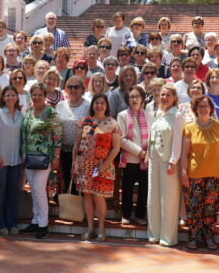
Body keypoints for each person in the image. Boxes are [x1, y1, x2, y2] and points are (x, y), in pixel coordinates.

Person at [73, 94, 122, 241]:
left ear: (106, 105)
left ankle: (101, 227)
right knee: (87, 195)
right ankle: (90, 227)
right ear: (92, 105)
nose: (99, 106)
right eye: (96, 103)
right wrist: (74, 164)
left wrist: (103, 166)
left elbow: (116, 148)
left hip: (103, 166)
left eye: (102, 103)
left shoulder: (113, 124)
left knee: (99, 197)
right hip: (85, 165)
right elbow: (76, 145)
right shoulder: (84, 122)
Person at [181, 96, 219, 251]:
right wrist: (183, 173)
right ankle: (193, 236)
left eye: (206, 106)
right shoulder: (189, 128)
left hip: (216, 174)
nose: (203, 109)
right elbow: (185, 153)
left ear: (211, 108)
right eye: (200, 106)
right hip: (195, 174)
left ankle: (208, 236)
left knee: (211, 207)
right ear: (195, 109)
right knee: (194, 207)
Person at [19, 83, 62, 239]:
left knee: (38, 189)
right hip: (29, 158)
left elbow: (58, 136)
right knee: (34, 191)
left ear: (45, 96)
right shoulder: (29, 112)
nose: (36, 97)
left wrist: (56, 157)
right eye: (34, 94)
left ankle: (43, 225)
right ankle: (35, 221)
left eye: (39, 94)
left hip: (44, 158)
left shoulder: (50, 112)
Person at [147, 83, 184, 247]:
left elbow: (177, 141)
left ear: (174, 97)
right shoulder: (158, 112)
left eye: (168, 95)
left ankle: (167, 237)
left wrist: (173, 161)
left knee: (168, 198)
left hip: (168, 160)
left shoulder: (176, 115)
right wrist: (148, 154)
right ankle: (154, 233)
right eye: (162, 95)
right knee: (153, 196)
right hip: (154, 159)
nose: (165, 98)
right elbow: (152, 136)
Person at [0, 85, 25, 236]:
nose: (10, 98)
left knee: (12, 192)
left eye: (13, 95)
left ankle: (12, 223)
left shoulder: (20, 115)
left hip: (16, 160)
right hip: (0, 159)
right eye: (7, 95)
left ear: (17, 97)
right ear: (3, 98)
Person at [116, 86, 150, 225]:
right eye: (131, 97)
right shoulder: (122, 115)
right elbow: (121, 139)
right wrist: (139, 152)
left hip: (146, 159)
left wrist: (146, 154)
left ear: (142, 98)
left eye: (137, 96)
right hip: (130, 158)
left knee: (144, 188)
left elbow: (152, 136)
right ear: (127, 100)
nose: (134, 99)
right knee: (127, 188)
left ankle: (140, 215)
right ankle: (126, 214)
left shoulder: (149, 115)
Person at [56, 76, 91, 194]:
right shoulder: (60, 105)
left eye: (76, 87)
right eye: (70, 87)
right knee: (66, 179)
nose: (73, 89)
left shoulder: (88, 105)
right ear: (65, 89)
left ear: (82, 89)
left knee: (78, 181)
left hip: (81, 151)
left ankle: (79, 209)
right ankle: (68, 209)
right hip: (64, 150)